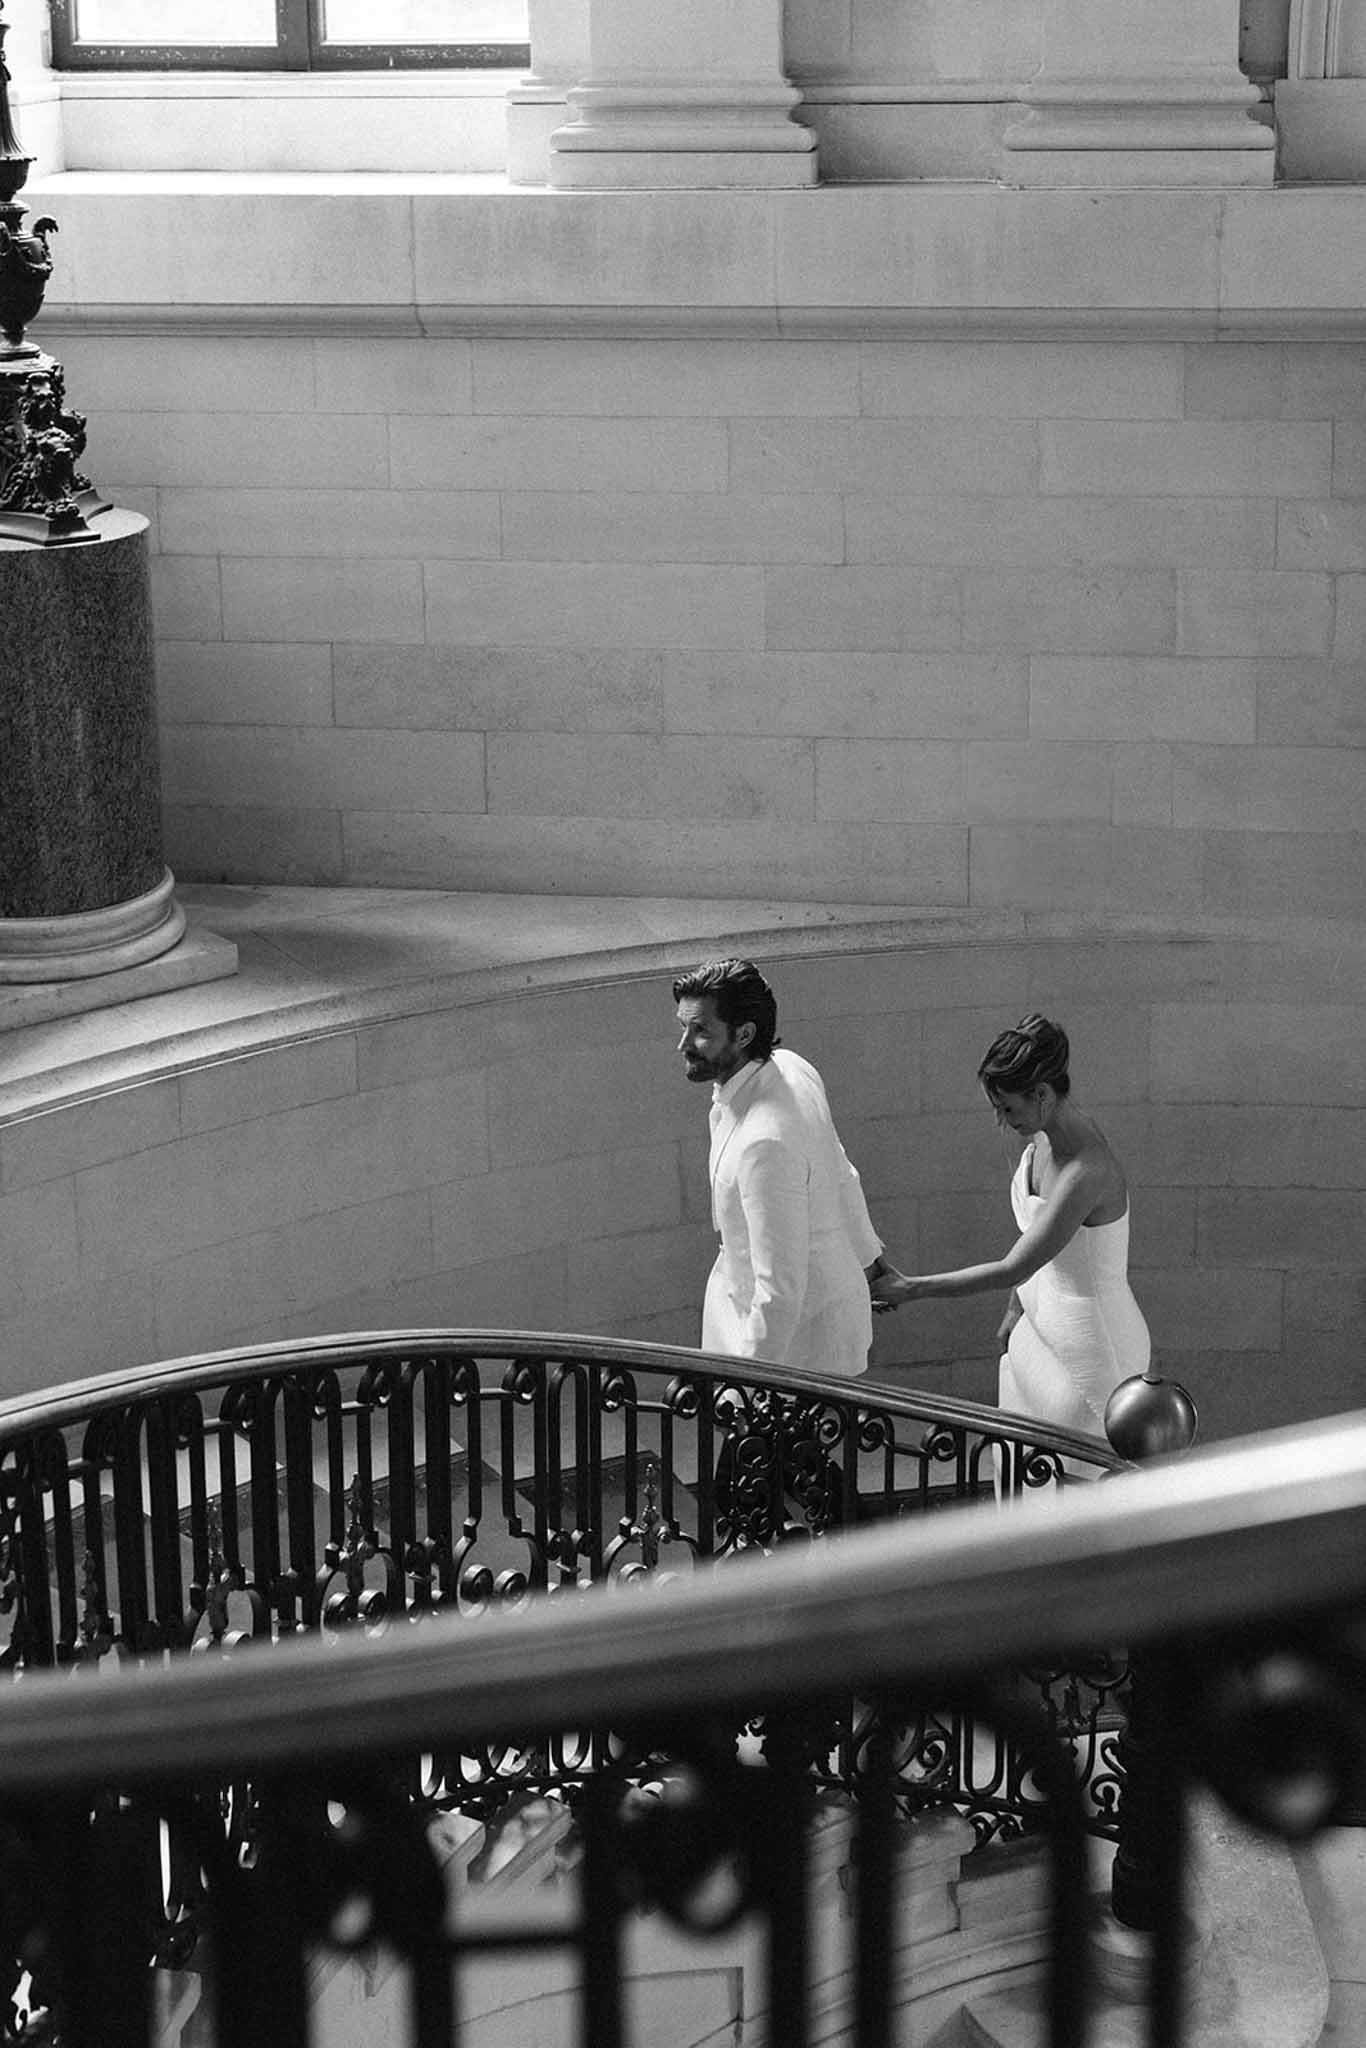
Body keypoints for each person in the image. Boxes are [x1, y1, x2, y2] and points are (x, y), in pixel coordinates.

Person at [871, 1014, 1150, 1445]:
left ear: (1041, 1094)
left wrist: (911, 1287)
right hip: (1038, 1329)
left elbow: (1012, 1266)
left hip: (1092, 1346)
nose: (1003, 1121)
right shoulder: (1042, 1137)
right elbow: (1035, 1250)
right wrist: (1016, 1309)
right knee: (1022, 1464)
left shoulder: (1087, 1171)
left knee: (1077, 1474)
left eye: (1008, 1108)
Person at [673, 957, 889, 1378]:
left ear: (745, 1033)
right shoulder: (790, 1065)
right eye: (683, 1027)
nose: (683, 1044)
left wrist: (744, 1384)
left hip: (799, 1346)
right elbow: (842, 1172)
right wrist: (869, 1263)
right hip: (750, 1311)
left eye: (700, 1031)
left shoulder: (765, 1142)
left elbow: (780, 1292)